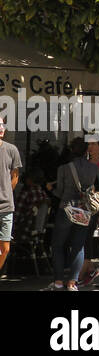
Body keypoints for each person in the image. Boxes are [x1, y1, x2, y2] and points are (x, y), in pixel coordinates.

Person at [49, 138, 99, 291]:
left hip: (67, 208)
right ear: (86, 151)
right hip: (84, 210)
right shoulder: (93, 168)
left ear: (71, 150)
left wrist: (50, 188)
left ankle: (58, 281)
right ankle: (72, 283)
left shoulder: (64, 168)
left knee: (58, 245)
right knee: (78, 246)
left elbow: (60, 191)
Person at [75, 136, 99, 288]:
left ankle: (83, 273)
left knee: (86, 238)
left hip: (93, 207)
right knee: (79, 238)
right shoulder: (85, 161)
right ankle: (90, 269)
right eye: (88, 144)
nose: (90, 147)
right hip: (80, 205)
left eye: (94, 144)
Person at [0, 116, 21, 278]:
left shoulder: (11, 149)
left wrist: (7, 191)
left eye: (2, 126)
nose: (1, 129)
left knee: (5, 247)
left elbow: (15, 176)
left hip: (6, 205)